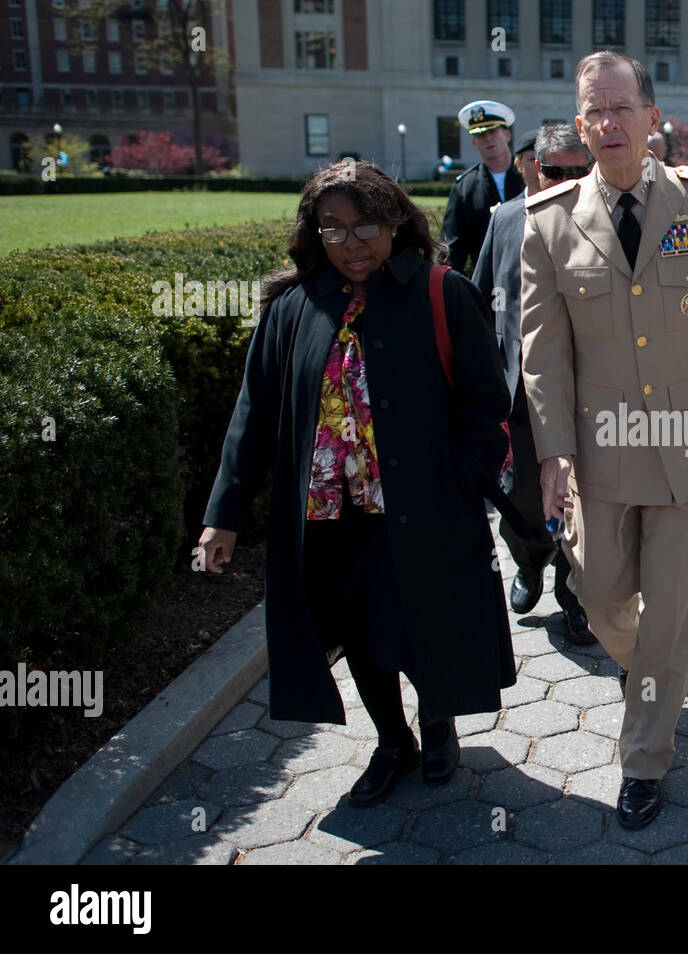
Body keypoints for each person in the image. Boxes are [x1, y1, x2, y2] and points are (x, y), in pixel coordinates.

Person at [197, 160, 516, 808]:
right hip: (331, 518)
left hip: (422, 511)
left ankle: (437, 724)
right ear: (315, 232)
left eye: (367, 222)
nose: (352, 241)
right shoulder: (293, 306)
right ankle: (392, 741)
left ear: (396, 220)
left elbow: (489, 405)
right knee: (362, 637)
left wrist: (461, 483)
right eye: (334, 227)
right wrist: (222, 513)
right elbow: (252, 415)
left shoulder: (442, 293)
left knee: (422, 625)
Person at [521, 51, 688, 829]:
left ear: (651, 118)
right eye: (592, 112)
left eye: (619, 109)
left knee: (670, 613)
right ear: (579, 123)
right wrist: (552, 448)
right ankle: (655, 676)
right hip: (601, 454)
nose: (606, 124)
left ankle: (645, 755)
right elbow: (544, 350)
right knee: (601, 596)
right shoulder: (551, 221)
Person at [472, 123, 597, 644]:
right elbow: (480, 303)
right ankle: (528, 562)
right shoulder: (504, 220)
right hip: (521, 396)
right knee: (524, 499)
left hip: (594, 393)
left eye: (578, 170)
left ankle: (576, 596)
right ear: (533, 168)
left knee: (585, 503)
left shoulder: (608, 217)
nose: (566, 180)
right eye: (555, 171)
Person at [440, 99, 525, 274]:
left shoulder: (529, 176)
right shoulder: (465, 187)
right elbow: (452, 247)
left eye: (493, 131)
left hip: (530, 276)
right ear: (474, 142)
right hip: (488, 283)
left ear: (507, 134)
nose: (487, 139)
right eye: (480, 135)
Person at [513, 128, 540, 195]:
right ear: (519, 165)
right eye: (532, 159)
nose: (540, 166)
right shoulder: (514, 205)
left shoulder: (568, 203)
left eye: (545, 159)